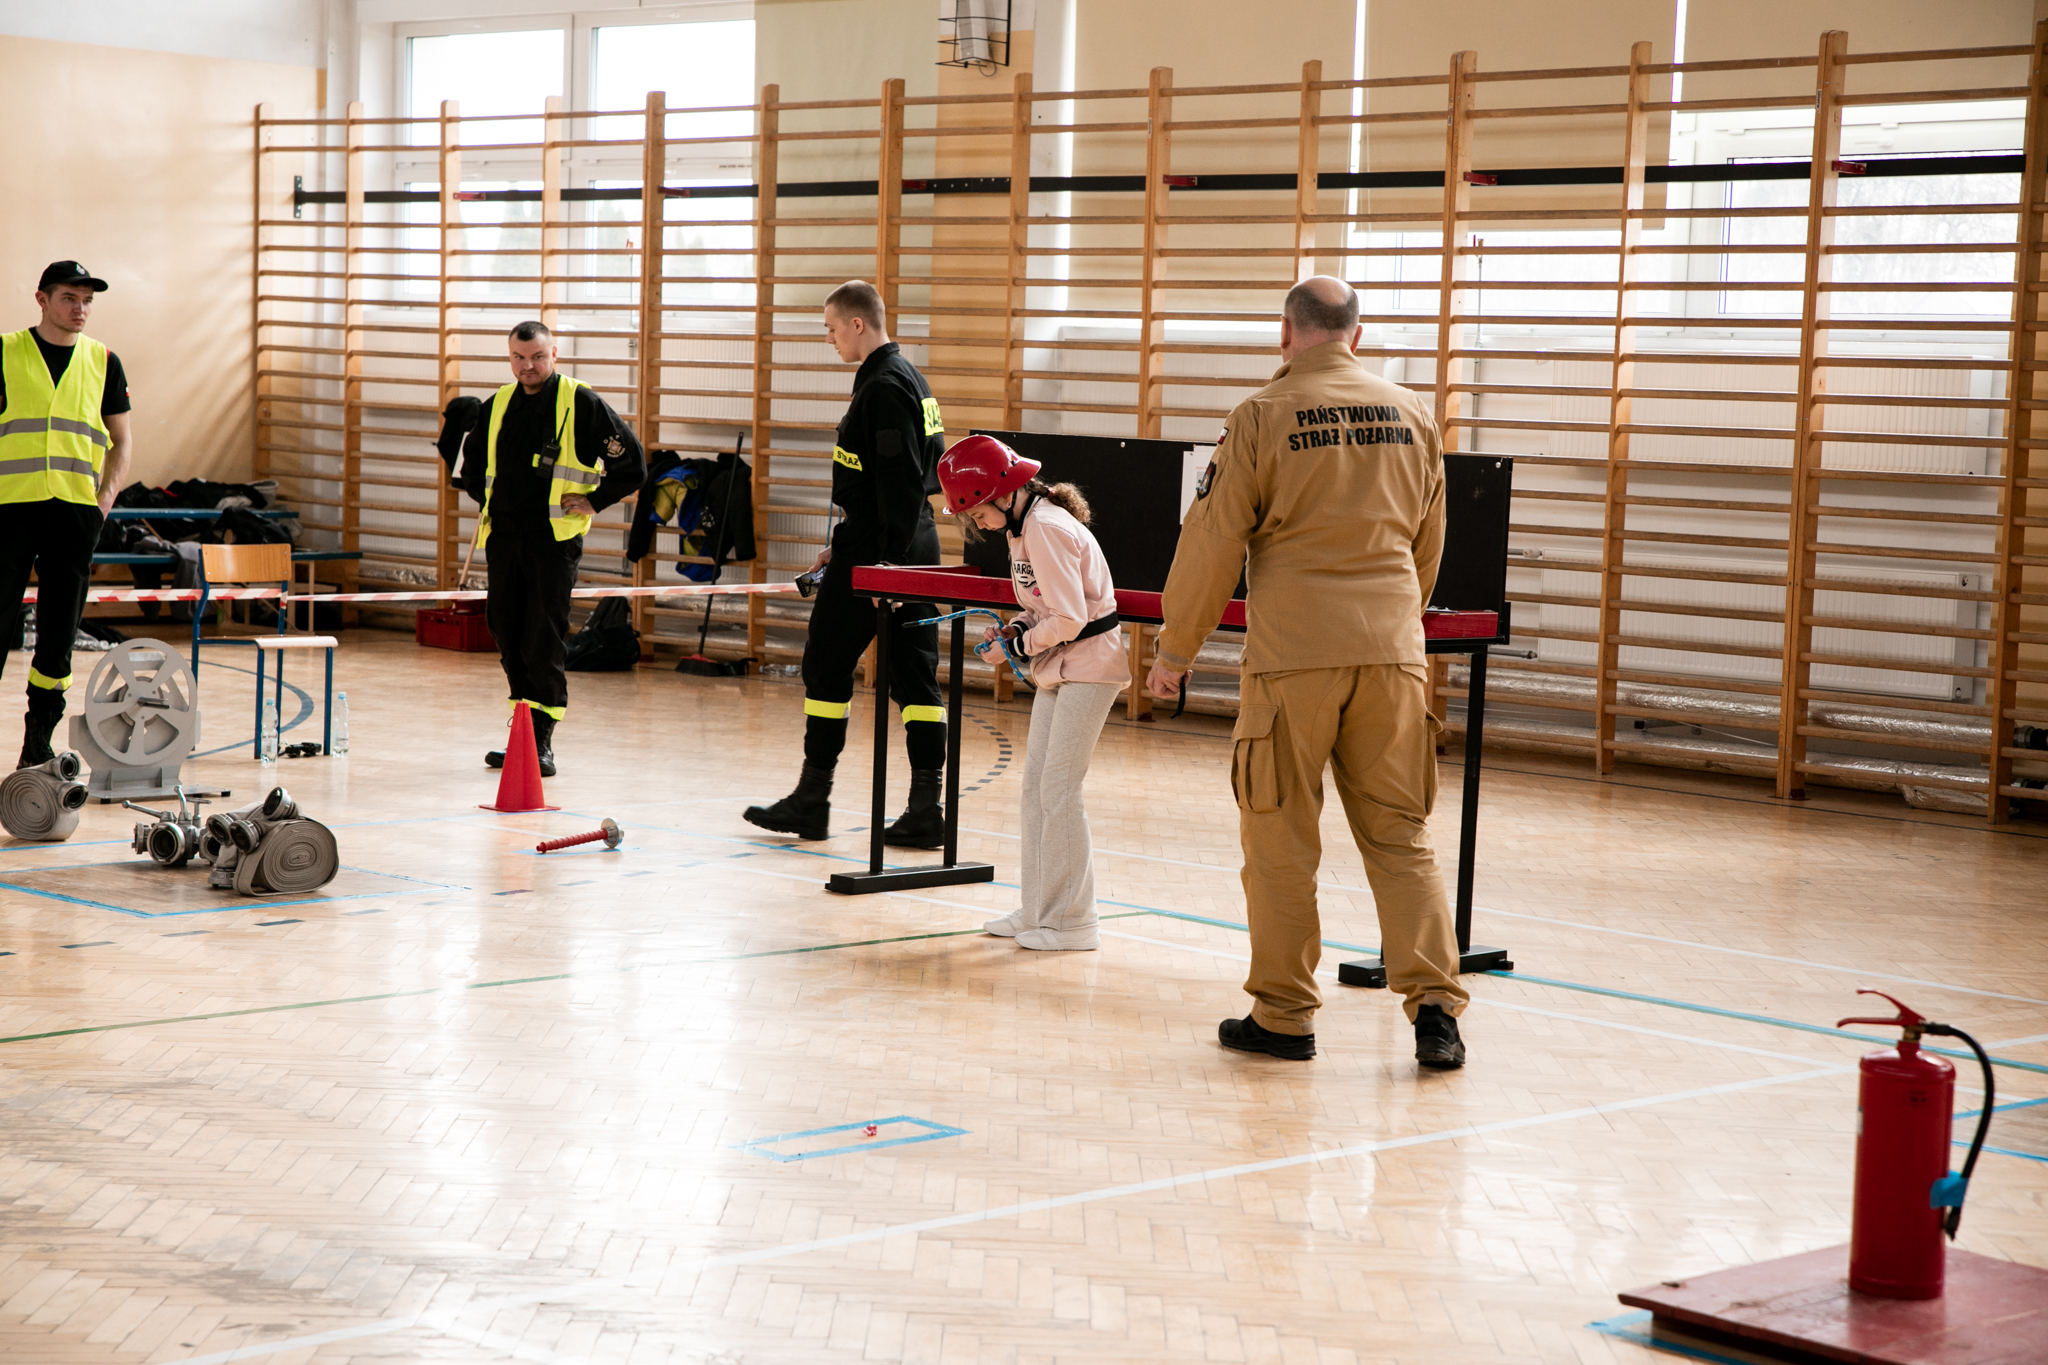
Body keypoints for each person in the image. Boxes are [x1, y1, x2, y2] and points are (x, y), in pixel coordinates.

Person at [1148, 275, 1467, 1068]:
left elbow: (1213, 539)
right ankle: (1436, 1012)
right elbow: (1428, 544)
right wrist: (1395, 623)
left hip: (1293, 660)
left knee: (1281, 839)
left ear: (1285, 333)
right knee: (1402, 835)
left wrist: (1174, 651)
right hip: (1393, 655)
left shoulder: (1261, 415)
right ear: (1357, 335)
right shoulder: (1413, 412)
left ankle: (1285, 1015)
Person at [745, 280, 948, 846]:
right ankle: (926, 808)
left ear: (858, 324)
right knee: (915, 676)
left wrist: (885, 564)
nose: (829, 339)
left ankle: (813, 798)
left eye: (832, 328)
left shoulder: (883, 386)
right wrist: (849, 542)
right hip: (908, 544)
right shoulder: (910, 378)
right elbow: (902, 482)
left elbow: (901, 482)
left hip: (883, 553)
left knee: (826, 663)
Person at [938, 435, 1126, 951]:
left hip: (1090, 667)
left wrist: (1016, 646)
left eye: (979, 512)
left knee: (1059, 790)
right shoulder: (1022, 528)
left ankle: (1075, 923)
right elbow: (1044, 606)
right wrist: (1014, 630)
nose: (978, 523)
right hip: (1059, 666)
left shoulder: (1045, 527)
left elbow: (1070, 617)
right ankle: (1039, 908)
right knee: (1036, 790)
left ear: (1004, 494)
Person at [458, 320, 645, 775]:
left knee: (543, 638)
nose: (528, 366)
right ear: (510, 358)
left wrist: (594, 500)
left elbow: (633, 466)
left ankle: (541, 741)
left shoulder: (581, 402)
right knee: (506, 630)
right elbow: (471, 470)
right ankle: (522, 732)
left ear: (554, 355)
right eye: (519, 358)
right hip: (504, 539)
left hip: (552, 542)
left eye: (538, 357)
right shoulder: (497, 404)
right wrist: (494, 502)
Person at [1, 262, 135, 769]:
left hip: (74, 515)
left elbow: (122, 441)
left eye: (87, 301)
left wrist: (103, 505)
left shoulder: (104, 361)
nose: (80, 309)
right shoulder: (5, 352)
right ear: (42, 299)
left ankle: (38, 741)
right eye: (69, 299)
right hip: (9, 510)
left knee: (58, 638)